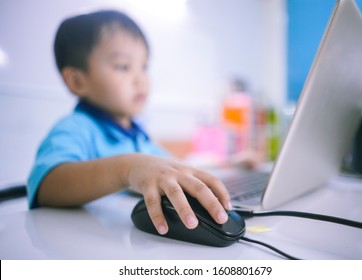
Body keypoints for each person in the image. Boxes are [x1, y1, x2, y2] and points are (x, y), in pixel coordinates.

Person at [27, 10, 233, 236]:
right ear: (77, 81)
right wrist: (128, 168)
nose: (140, 79)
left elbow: (173, 168)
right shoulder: (75, 128)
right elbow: (47, 185)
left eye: (144, 67)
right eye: (123, 66)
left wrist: (231, 165)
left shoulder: (137, 134)